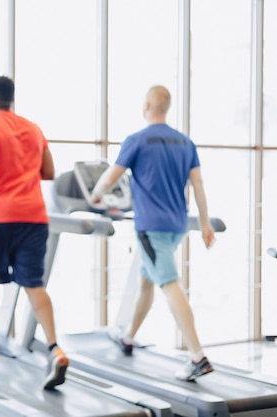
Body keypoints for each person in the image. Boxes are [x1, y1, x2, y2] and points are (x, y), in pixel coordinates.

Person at [91, 85, 216, 382]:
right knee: (146, 281)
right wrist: (206, 223)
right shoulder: (185, 143)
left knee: (169, 284)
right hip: (177, 225)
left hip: (151, 227)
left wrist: (94, 196)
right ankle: (129, 337)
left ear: (146, 104)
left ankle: (197, 355)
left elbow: (111, 177)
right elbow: (197, 185)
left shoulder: (137, 140)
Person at [0, 75, 69, 390]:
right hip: (34, 217)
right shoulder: (33, 128)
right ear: (12, 99)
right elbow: (49, 172)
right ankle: (54, 348)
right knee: (34, 285)